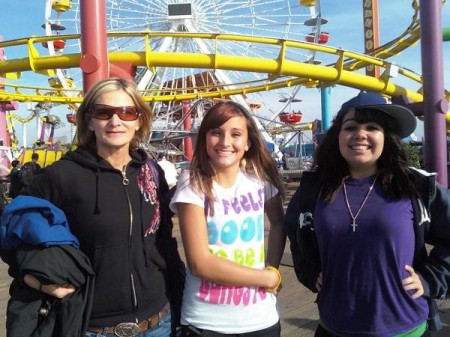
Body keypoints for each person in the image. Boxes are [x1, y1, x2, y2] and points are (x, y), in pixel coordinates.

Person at [2, 77, 185, 336]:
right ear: (89, 120)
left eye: (126, 112)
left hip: (159, 321)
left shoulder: (151, 173)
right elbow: (11, 227)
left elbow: (164, 239)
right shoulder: (62, 176)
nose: (115, 120)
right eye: (103, 112)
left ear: (139, 120)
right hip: (93, 325)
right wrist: (35, 279)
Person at [285, 91, 450, 337]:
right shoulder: (314, 190)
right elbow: (294, 232)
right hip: (335, 326)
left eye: (372, 127)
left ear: (387, 138)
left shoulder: (414, 185)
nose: (360, 134)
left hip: (405, 326)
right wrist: (309, 272)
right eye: (350, 127)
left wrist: (431, 278)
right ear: (338, 136)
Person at [170, 101, 286, 336]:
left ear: (248, 142)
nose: (225, 142)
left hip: (261, 317)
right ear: (204, 139)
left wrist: (272, 265)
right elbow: (200, 263)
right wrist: (266, 276)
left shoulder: (259, 181)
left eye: (235, 134)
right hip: (209, 322)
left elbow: (278, 222)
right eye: (216, 133)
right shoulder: (193, 183)